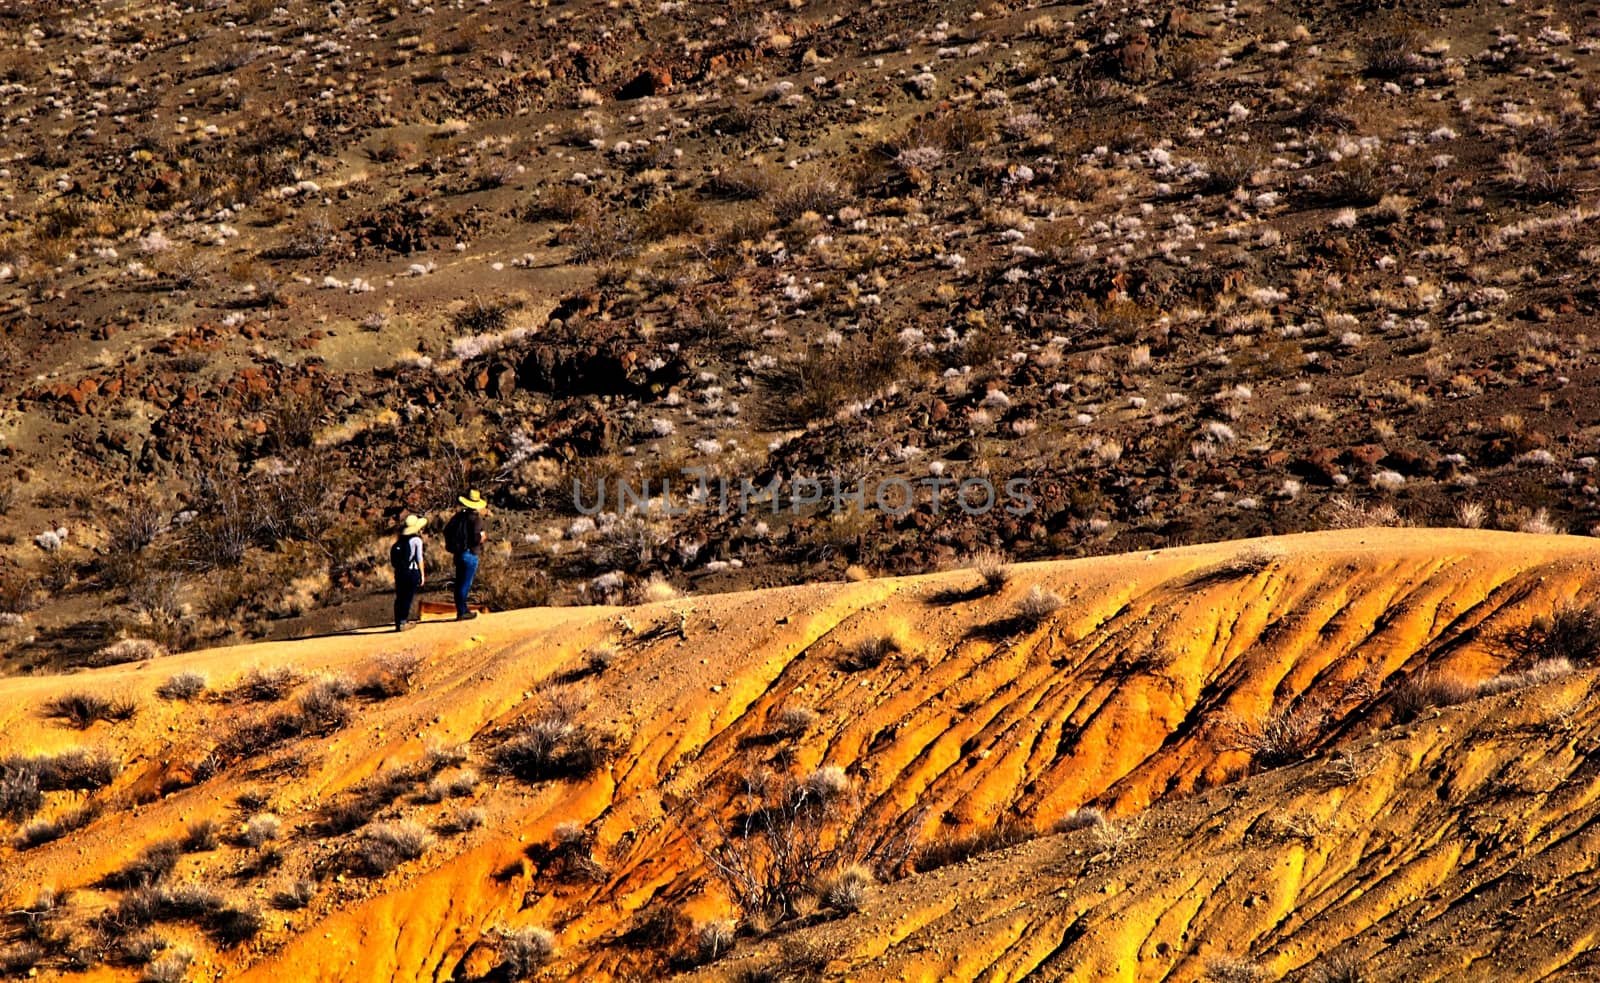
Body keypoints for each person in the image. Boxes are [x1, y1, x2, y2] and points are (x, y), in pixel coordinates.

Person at [444, 490, 487, 621]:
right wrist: (482, 537)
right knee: (465, 584)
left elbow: (446, 530)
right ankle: (462, 611)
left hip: (459, 553)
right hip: (470, 554)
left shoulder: (459, 516)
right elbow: (475, 538)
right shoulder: (476, 519)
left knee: (459, 583)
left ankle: (461, 609)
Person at [391, 514, 427, 632]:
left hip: (399, 572)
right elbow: (419, 558)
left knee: (400, 597)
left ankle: (398, 621)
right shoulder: (416, 540)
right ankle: (403, 622)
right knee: (407, 597)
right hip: (411, 571)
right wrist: (422, 574)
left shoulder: (401, 540)